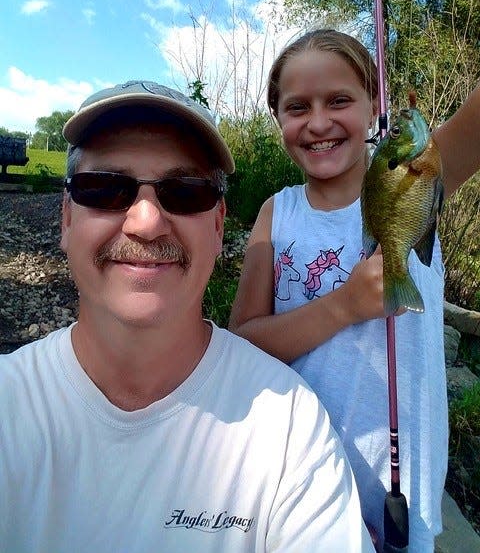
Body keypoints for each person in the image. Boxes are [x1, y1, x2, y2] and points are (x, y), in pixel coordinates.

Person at [0, 80, 376, 552]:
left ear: (218, 226)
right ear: (67, 221)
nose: (146, 221)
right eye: (105, 188)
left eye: (184, 191)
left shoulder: (290, 430)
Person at [229, 29, 480, 552]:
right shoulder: (277, 213)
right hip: (298, 475)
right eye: (297, 107)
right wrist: (343, 306)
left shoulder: (422, 172)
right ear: (278, 119)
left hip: (401, 484)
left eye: (339, 100)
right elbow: (242, 341)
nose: (318, 122)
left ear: (374, 108)